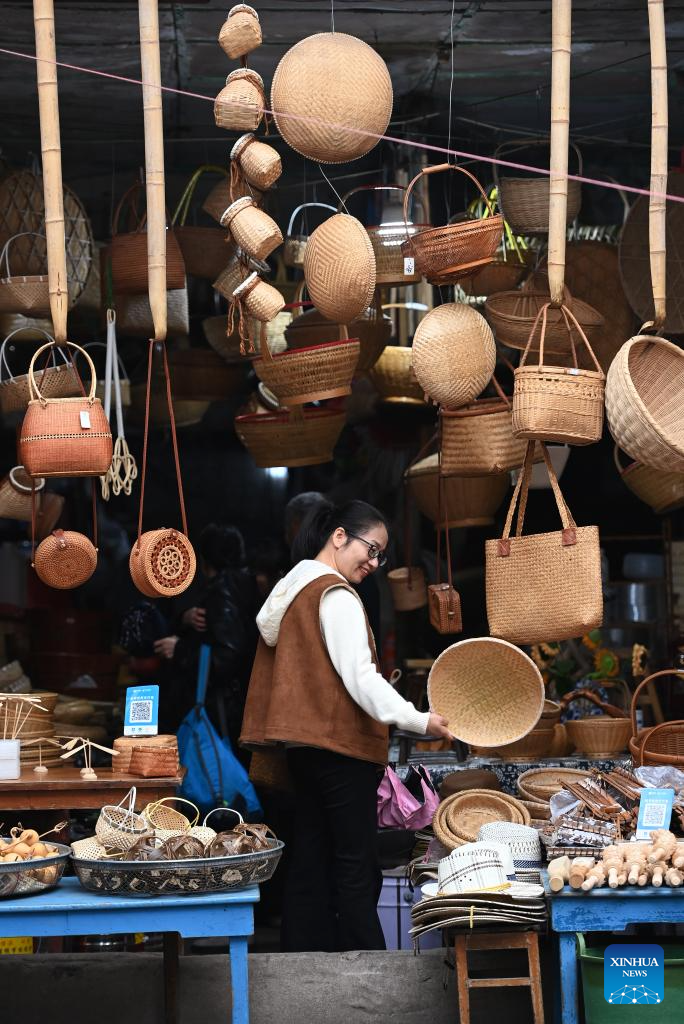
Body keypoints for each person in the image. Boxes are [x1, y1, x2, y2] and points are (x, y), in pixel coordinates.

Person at [240, 499, 452, 953]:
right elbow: (360, 679)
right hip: (342, 750)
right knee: (357, 864)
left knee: (311, 858)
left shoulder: (293, 590)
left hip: (305, 749)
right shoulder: (334, 595)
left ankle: (301, 963)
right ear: (339, 537)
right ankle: (370, 968)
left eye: (380, 556)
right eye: (371, 549)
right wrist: (420, 719)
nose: (374, 563)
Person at [154, 524, 259, 747]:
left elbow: (227, 655)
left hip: (222, 707)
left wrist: (180, 649)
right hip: (238, 703)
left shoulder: (223, 592)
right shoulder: (245, 585)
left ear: (203, 560)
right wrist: (185, 619)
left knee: (213, 771)